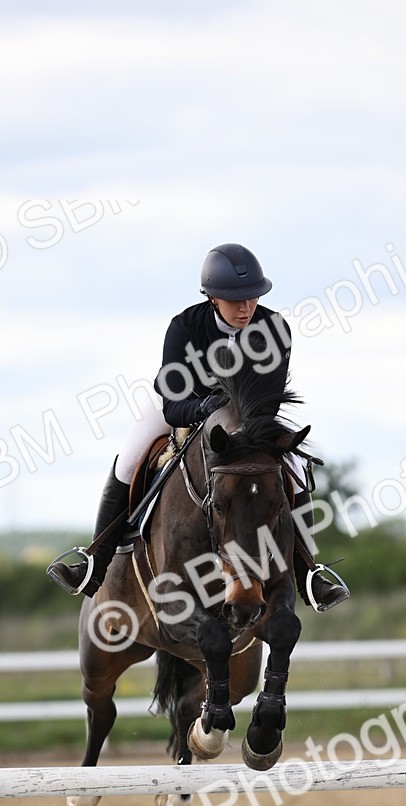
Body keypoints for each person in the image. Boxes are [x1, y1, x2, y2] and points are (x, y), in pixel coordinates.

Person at [48, 243, 349, 611]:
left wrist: (240, 425)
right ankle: (93, 564)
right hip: (180, 406)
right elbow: (173, 408)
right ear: (211, 297)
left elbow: (269, 402)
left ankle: (307, 574)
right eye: (234, 300)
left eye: (252, 297)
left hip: (249, 421)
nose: (246, 307)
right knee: (128, 461)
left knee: (298, 468)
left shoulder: (275, 328)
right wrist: (203, 408)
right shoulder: (185, 328)